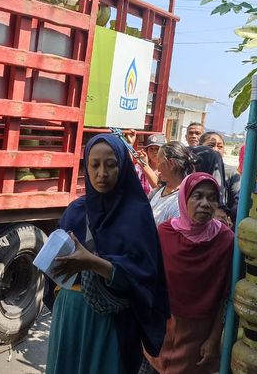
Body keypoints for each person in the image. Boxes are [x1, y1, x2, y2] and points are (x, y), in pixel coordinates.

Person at [45, 134, 170, 374]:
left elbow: (144, 280)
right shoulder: (75, 210)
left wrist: (93, 264)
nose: (102, 173)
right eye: (94, 165)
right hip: (69, 315)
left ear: (123, 167)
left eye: (111, 165)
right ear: (86, 166)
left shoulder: (136, 215)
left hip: (110, 323)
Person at [144, 172, 234, 374]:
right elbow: (151, 281)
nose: (205, 204)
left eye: (212, 198)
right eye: (198, 196)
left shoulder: (225, 240)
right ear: (184, 198)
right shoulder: (165, 233)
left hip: (199, 333)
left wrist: (213, 339)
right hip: (162, 325)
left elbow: (225, 296)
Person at [150, 141, 196, 225]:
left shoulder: (181, 201)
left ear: (171, 164)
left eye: (159, 162)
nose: (158, 167)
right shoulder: (158, 192)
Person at [200, 131, 240, 222]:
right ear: (200, 146)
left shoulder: (232, 173)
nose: (216, 149)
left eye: (220, 146)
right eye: (211, 145)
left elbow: (237, 201)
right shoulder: (193, 169)